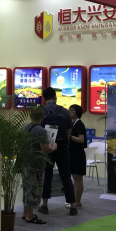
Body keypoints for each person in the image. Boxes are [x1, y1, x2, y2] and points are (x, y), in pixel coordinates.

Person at [39, 87, 78, 216]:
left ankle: (44, 205)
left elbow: (39, 131)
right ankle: (73, 206)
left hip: (47, 148)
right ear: (55, 97)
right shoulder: (64, 111)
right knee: (66, 176)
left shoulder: (41, 111)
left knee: (47, 176)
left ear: (44, 98)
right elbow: (69, 131)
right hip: (62, 147)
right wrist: (63, 142)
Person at [21, 106, 57, 224]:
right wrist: (54, 147)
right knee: (34, 189)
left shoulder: (24, 127)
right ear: (42, 117)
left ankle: (25, 212)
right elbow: (45, 149)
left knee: (26, 188)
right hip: (36, 164)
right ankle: (30, 215)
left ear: (30, 116)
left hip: (25, 162)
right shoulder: (41, 131)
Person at [68, 104, 87, 209]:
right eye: (69, 110)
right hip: (72, 153)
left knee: (78, 178)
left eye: (72, 111)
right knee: (74, 178)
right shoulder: (72, 124)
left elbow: (81, 140)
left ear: (77, 112)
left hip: (78, 154)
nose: (70, 112)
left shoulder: (79, 124)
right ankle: (75, 200)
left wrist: (70, 136)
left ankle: (77, 201)